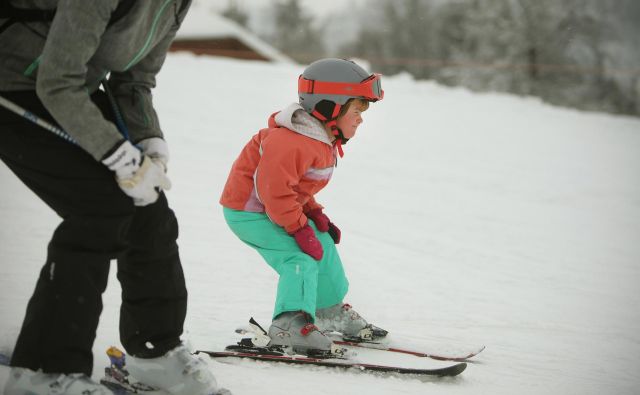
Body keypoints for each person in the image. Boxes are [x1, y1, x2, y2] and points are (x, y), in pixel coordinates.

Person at [0, 1, 221, 394]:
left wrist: (148, 147)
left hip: (69, 94)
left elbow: (133, 80)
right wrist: (117, 154)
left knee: (148, 206)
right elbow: (56, 80)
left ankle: (155, 354)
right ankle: (41, 371)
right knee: (100, 207)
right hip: (12, 85)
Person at [220, 58, 386, 356]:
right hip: (248, 213)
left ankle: (328, 309)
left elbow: (296, 188)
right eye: (357, 110)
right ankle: (290, 325)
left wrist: (313, 213)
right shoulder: (290, 141)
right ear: (330, 107)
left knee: (322, 243)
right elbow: (274, 192)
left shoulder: (318, 140)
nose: (361, 118)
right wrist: (298, 227)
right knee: (299, 257)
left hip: (276, 208)